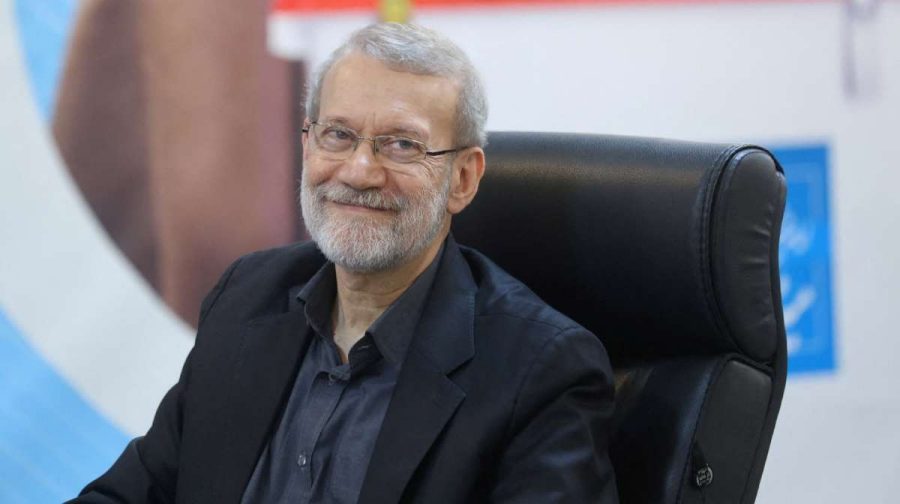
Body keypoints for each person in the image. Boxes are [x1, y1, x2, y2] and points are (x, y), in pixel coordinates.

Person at [71, 23, 618, 503]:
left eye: (402, 145)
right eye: (338, 134)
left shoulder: (543, 372)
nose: (359, 171)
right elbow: (139, 488)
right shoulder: (248, 296)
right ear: (308, 145)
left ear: (464, 179)